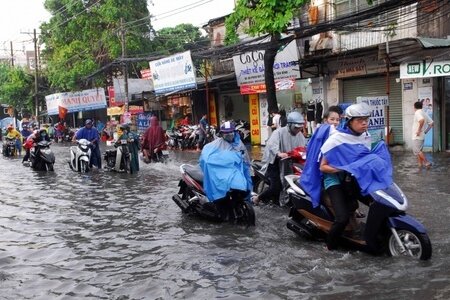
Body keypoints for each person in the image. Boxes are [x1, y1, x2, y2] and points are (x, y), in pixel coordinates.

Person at [310, 103, 392, 250]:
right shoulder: (336, 139)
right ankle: (329, 247)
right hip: (334, 180)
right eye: (360, 120)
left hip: (353, 178)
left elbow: (364, 159)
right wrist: (343, 168)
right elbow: (323, 166)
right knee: (342, 219)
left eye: (366, 120)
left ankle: (374, 234)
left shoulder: (366, 136)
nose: (365, 123)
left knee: (379, 202)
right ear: (349, 121)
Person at [252, 111, 306, 205]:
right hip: (275, 163)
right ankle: (257, 198)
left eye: (300, 128)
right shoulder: (279, 132)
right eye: (296, 127)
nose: (298, 130)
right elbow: (272, 145)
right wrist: (279, 153)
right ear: (289, 125)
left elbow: (303, 147)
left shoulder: (300, 135)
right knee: (276, 186)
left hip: (290, 163)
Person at [199, 121, 252, 213]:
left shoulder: (239, 144)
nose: (229, 136)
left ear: (234, 132)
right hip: (221, 174)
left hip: (235, 174)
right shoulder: (216, 144)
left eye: (230, 133)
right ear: (222, 134)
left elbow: (246, 160)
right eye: (226, 134)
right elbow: (206, 158)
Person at [412, 101, 433, 168]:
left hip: (417, 136)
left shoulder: (417, 112)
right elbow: (431, 123)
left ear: (414, 107)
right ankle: (420, 166)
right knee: (419, 151)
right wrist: (425, 131)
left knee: (417, 150)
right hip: (422, 136)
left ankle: (426, 162)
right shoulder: (423, 112)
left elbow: (421, 120)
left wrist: (418, 130)